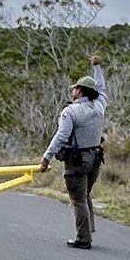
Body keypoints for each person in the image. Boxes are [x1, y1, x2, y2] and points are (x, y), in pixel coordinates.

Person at [39, 55, 106, 249]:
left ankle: (83, 238)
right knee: (85, 196)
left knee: (78, 200)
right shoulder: (99, 106)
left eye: (75, 89)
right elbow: (101, 88)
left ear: (80, 91)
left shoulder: (71, 112)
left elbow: (61, 136)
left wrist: (46, 157)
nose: (73, 92)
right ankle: (88, 230)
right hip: (95, 158)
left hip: (77, 161)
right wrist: (97, 67)